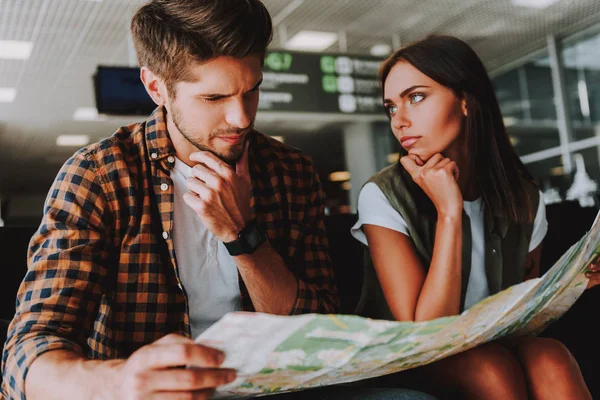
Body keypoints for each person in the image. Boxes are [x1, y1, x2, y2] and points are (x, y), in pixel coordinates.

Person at [1, 1, 438, 400]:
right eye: (214, 97)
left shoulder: (291, 171)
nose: (242, 117)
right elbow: (31, 347)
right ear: (156, 87)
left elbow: (318, 329)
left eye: (252, 90)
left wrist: (243, 236)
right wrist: (117, 381)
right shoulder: (99, 175)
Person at [351, 35, 599, 400]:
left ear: (465, 100)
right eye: (391, 106)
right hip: (411, 359)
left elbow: (522, 319)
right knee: (491, 369)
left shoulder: (523, 198)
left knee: (551, 357)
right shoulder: (382, 194)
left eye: (416, 97)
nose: (399, 121)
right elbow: (426, 337)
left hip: (492, 344)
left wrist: (572, 285)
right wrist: (449, 212)